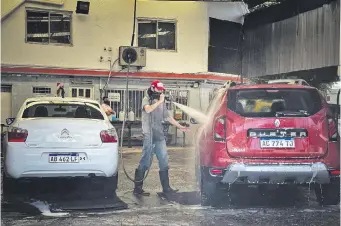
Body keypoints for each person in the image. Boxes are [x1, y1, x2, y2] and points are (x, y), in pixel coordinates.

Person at [133, 80, 189, 196]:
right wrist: (160, 101)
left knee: (164, 160)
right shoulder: (146, 99)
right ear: (153, 88)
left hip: (159, 135)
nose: (160, 91)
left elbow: (168, 117)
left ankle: (166, 188)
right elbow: (148, 109)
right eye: (159, 89)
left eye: (162, 90)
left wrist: (180, 126)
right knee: (145, 161)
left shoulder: (161, 102)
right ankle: (137, 189)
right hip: (149, 134)